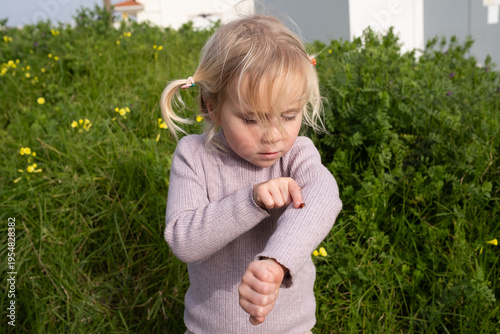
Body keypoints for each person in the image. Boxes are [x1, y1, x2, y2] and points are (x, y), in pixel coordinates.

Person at [161, 13, 342, 334]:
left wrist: (276, 262)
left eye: (288, 116)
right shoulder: (195, 155)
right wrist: (251, 200)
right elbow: (183, 241)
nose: (273, 136)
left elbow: (324, 198)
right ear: (210, 106)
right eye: (251, 119)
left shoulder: (298, 154)